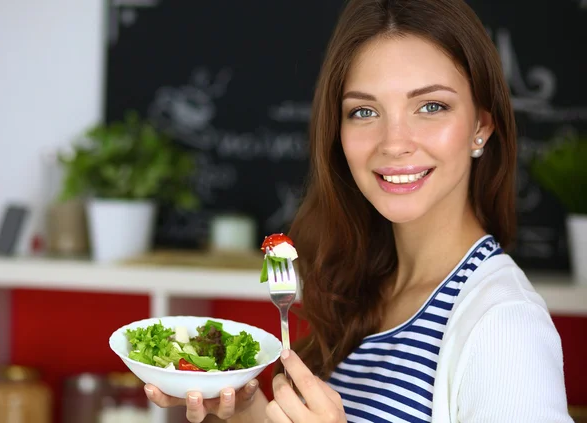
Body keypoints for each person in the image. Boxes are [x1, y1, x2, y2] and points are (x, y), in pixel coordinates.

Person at [144, 0, 573, 421]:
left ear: (481, 126)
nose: (393, 142)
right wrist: (244, 408)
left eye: (430, 106)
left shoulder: (505, 325)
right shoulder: (366, 282)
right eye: (364, 111)